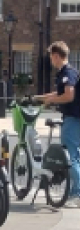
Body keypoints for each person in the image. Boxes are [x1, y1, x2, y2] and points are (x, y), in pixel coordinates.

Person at [34, 41, 80, 207]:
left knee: (71, 157)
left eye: (51, 57)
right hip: (73, 118)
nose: (51, 61)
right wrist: (41, 97)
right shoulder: (66, 73)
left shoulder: (68, 73)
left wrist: (51, 100)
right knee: (75, 156)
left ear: (56, 56)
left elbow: (69, 96)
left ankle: (77, 195)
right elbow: (59, 92)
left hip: (73, 119)